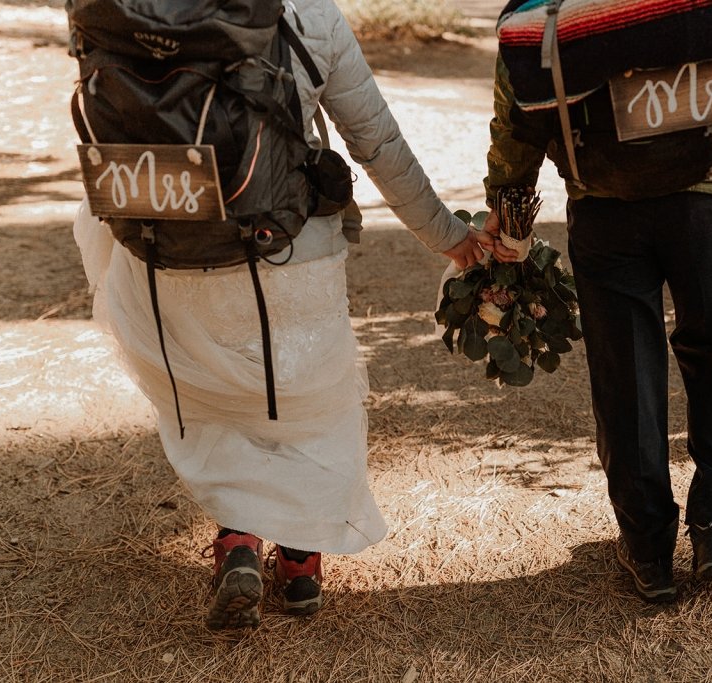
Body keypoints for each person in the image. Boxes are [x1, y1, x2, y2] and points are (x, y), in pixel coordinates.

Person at [73, 0, 491, 629]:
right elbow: (375, 141)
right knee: (307, 403)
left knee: (215, 401)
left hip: (164, 252)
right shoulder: (307, 16)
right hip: (288, 251)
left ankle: (238, 542)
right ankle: (299, 562)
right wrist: (449, 237)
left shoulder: (123, 10)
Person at [482, 23, 712, 602]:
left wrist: (509, 200)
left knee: (624, 368)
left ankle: (647, 544)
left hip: (605, 204)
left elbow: (520, 83)